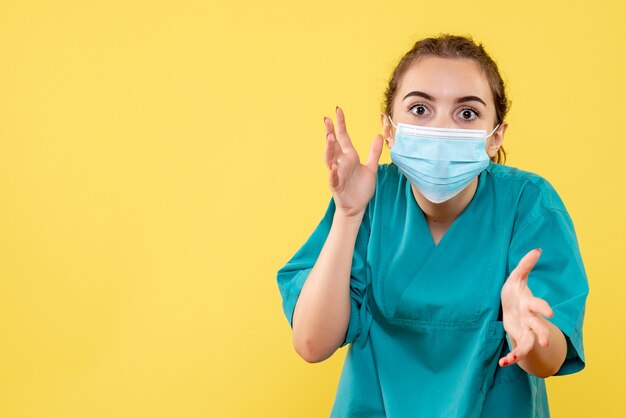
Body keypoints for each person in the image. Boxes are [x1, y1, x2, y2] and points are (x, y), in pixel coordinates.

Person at [276, 34, 589, 417]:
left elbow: (549, 359)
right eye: (421, 109)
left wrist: (526, 333)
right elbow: (312, 344)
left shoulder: (528, 205)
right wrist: (348, 215)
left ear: (496, 137)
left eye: (467, 113)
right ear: (389, 128)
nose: (443, 130)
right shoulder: (369, 200)